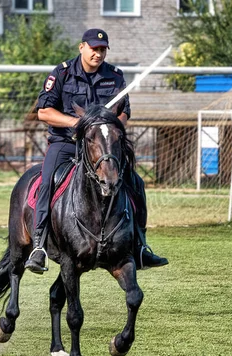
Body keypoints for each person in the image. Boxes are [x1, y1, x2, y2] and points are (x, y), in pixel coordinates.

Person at [25, 28, 168, 274]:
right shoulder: (62, 74)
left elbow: (124, 113)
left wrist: (109, 126)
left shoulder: (115, 76)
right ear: (82, 47)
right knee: (47, 182)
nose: (98, 54)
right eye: (94, 48)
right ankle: (39, 246)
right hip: (66, 142)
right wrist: (77, 123)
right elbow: (43, 112)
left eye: (102, 49)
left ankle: (141, 246)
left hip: (103, 145)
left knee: (136, 183)